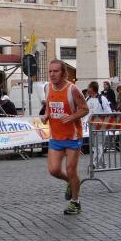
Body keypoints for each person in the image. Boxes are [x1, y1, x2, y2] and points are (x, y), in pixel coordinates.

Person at [41, 59, 89, 215]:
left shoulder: (72, 89)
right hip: (56, 136)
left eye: (56, 71)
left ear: (63, 73)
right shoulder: (47, 88)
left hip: (73, 136)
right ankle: (70, 182)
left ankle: (75, 202)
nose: (52, 74)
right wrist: (46, 116)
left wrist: (72, 117)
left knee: (70, 169)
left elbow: (85, 109)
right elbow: (49, 106)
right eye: (50, 71)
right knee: (54, 170)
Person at [85, 81, 112, 168]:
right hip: (91, 125)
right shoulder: (87, 99)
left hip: (100, 125)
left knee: (99, 145)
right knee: (94, 145)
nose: (87, 89)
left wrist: (104, 121)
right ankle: (102, 163)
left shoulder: (102, 99)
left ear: (93, 89)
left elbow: (108, 112)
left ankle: (94, 163)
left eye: (89, 87)